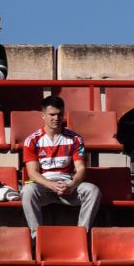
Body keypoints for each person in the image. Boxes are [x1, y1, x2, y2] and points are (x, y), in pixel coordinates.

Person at [20, 97, 102, 236]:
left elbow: (81, 169)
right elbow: (32, 173)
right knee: (27, 191)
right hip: (44, 186)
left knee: (93, 190)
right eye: (52, 114)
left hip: (68, 186)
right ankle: (37, 236)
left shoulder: (75, 139)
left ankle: (82, 235)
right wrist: (50, 185)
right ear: (43, 116)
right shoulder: (32, 140)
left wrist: (71, 185)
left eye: (60, 114)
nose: (56, 118)